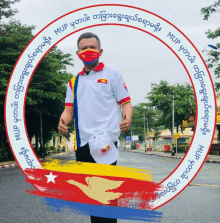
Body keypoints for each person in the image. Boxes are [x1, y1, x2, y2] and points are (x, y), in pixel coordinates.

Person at [58, 32, 133, 223]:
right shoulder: (73, 82)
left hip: (105, 143)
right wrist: (63, 122)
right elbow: (68, 109)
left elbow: (126, 103)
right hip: (82, 144)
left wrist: (127, 118)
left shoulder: (112, 75)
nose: (88, 51)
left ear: (100, 51)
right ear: (78, 53)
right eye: (84, 48)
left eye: (92, 47)